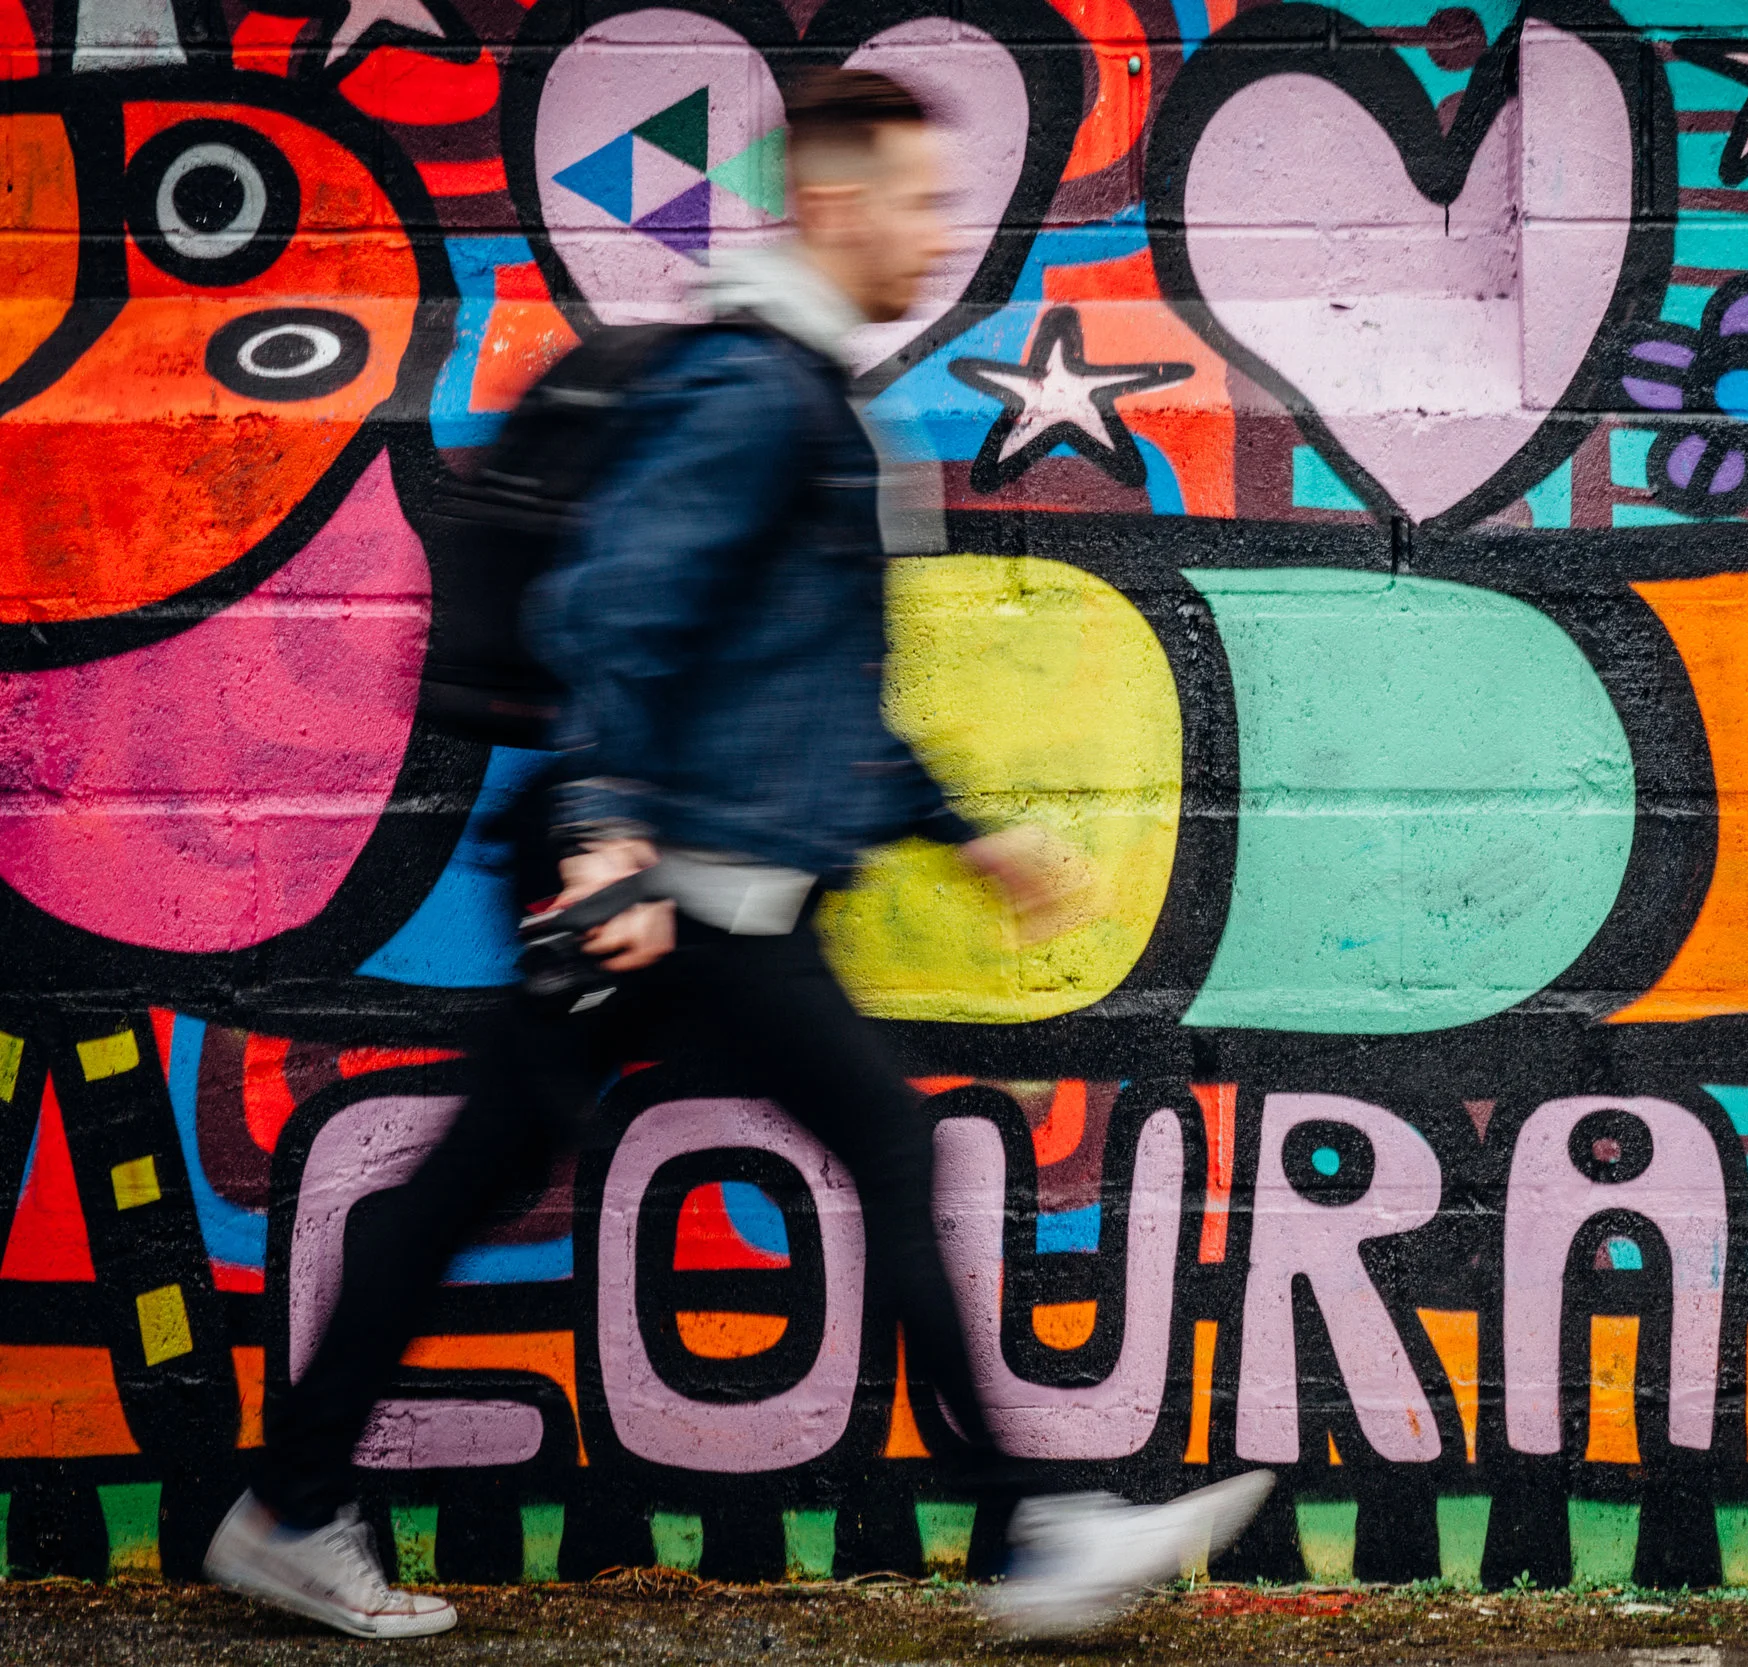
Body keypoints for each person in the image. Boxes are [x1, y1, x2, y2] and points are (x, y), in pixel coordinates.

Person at [203, 67, 1269, 1641]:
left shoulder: (807, 393)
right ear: (832, 204)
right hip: (673, 894)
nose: (938, 229)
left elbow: (802, 684)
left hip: (705, 885)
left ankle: (288, 1506)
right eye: (915, 198)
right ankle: (1033, 1537)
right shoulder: (753, 393)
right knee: (847, 1161)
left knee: (469, 1188)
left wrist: (967, 837)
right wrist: (610, 834)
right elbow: (614, 605)